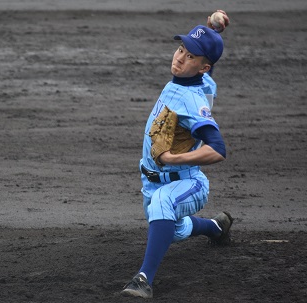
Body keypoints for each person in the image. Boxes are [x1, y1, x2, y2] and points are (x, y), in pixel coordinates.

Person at [121, 11, 233, 299]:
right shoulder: (198, 82)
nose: (180, 57)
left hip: (188, 182)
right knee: (174, 228)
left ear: (202, 67)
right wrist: (211, 32)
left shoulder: (193, 100)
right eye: (181, 49)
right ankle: (216, 227)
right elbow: (206, 74)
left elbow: (217, 149)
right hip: (153, 181)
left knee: (163, 204)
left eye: (190, 56)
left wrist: (173, 159)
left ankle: (144, 279)